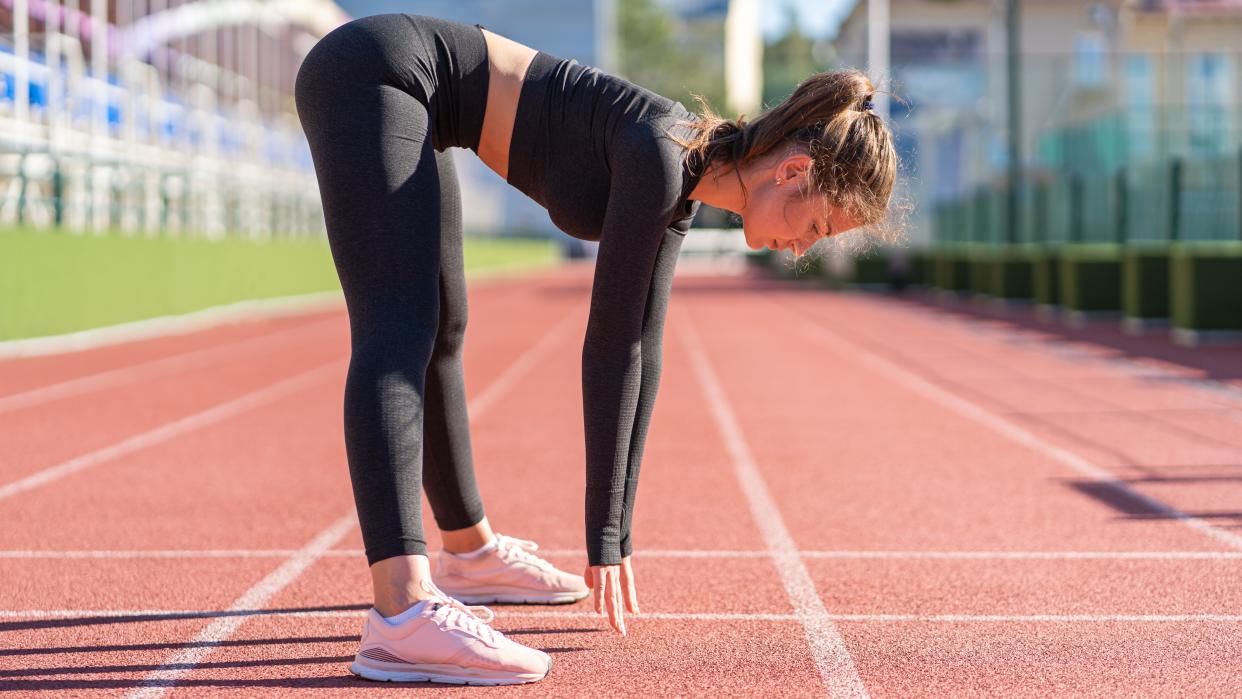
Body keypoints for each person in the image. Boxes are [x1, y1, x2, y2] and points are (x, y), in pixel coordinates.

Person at [294, 12, 897, 686]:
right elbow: (608, 347)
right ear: (792, 170)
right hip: (375, 71)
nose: (803, 248)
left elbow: (644, 346)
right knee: (398, 327)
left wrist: (619, 532)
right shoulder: (660, 153)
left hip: (421, 98)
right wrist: (600, 539)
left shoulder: (684, 180)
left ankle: (469, 553)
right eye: (815, 225)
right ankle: (401, 613)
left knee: (442, 328)